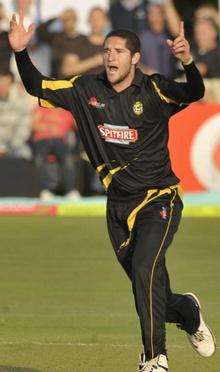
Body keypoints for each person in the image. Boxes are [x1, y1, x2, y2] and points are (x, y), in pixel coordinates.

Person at [8, 8, 216, 371]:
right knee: (149, 290)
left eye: (118, 51)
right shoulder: (86, 89)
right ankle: (187, 310)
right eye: (106, 51)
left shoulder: (153, 90)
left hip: (158, 199)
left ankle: (154, 358)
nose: (109, 57)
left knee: (144, 270)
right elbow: (36, 85)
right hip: (118, 209)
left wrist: (187, 61)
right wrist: (21, 51)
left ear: (135, 58)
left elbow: (195, 91)